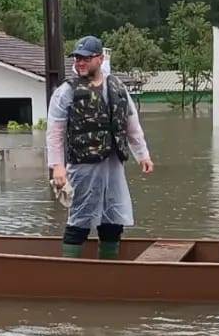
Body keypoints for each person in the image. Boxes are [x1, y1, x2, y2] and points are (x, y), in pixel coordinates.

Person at [47, 35, 154, 259]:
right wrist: (57, 166)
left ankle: (109, 268)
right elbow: (55, 132)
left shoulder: (117, 86)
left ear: (100, 58)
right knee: (79, 220)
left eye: (86, 58)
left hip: (113, 165)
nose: (80, 63)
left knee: (113, 221)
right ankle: (70, 271)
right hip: (84, 165)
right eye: (77, 58)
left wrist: (143, 154)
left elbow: (130, 123)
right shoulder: (67, 91)